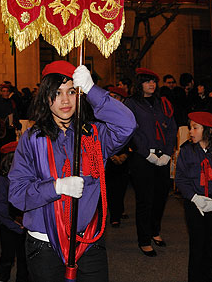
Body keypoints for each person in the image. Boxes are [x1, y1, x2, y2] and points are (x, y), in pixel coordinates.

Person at [8, 61, 136, 281]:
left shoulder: (95, 135)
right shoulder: (32, 139)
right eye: (57, 93)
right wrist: (56, 186)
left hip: (88, 241)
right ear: (45, 98)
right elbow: (17, 195)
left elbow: (127, 124)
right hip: (45, 243)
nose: (65, 100)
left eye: (72, 91)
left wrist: (92, 90)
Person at [124, 68, 177, 257]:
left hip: (163, 156)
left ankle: (155, 230)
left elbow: (171, 128)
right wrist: (146, 153)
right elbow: (132, 130)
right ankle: (144, 239)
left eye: (154, 81)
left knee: (161, 197)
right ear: (140, 85)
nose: (152, 84)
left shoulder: (162, 103)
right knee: (145, 200)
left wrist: (168, 153)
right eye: (147, 81)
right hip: (142, 158)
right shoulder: (131, 103)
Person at [175, 111, 212, 282]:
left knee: (210, 242)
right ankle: (194, 277)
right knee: (197, 243)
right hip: (193, 202)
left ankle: (209, 276)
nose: (191, 131)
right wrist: (194, 198)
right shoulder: (187, 150)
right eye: (190, 128)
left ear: (208, 130)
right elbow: (180, 178)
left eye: (195, 128)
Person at [0, 141, 28, 282]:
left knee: (25, 259)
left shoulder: (29, 180)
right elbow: (0, 207)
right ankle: (2, 279)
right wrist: (14, 224)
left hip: (27, 226)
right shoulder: (3, 181)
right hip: (8, 225)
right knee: (7, 257)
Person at [105, 86, 131, 227]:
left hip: (125, 156)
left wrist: (125, 155)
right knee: (110, 187)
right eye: (111, 96)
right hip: (108, 157)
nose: (113, 99)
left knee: (121, 187)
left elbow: (134, 137)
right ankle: (114, 216)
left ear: (122, 100)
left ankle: (119, 209)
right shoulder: (103, 114)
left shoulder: (128, 115)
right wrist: (112, 155)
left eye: (116, 97)